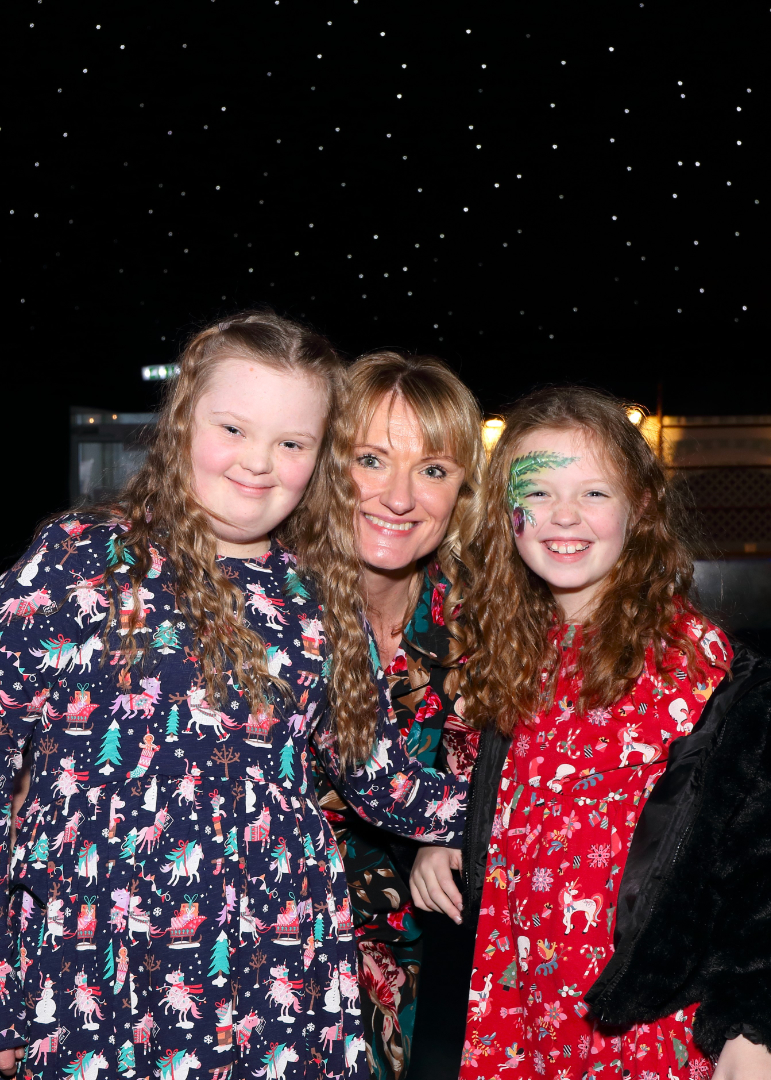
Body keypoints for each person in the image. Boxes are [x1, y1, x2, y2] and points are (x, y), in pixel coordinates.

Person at [0, 311, 468, 1080]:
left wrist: (524, 808)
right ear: (182, 420)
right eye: (233, 428)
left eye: (292, 443)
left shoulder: (318, 596)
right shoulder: (77, 561)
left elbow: (382, 780)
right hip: (95, 967)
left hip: (278, 974)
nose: (258, 462)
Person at [410, 386, 771, 1079]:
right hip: (525, 1001)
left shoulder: (693, 664)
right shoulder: (513, 652)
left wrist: (750, 1027)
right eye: (536, 493)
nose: (564, 515)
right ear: (504, 512)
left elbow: (750, 855)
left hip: (640, 1019)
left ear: (640, 508)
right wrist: (449, 834)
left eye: (594, 493)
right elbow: (496, 781)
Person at [306, 352, 485, 1079]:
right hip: (266, 943)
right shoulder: (266, 600)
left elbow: (500, 749)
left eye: (432, 470)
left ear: (461, 492)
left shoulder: (478, 611)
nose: (400, 497)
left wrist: (454, 832)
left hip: (417, 956)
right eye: (371, 459)